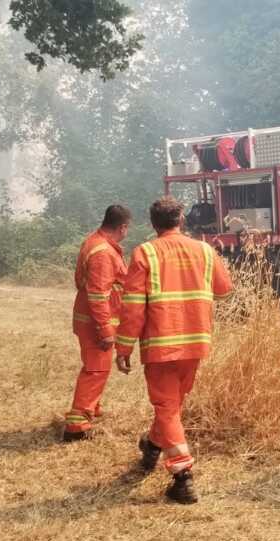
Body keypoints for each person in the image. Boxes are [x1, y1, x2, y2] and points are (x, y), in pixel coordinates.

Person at [116, 197, 232, 504]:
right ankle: (153, 445)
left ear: (153, 224)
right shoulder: (205, 251)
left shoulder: (145, 252)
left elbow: (132, 309)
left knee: (167, 408)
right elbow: (223, 290)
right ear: (181, 220)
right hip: (196, 342)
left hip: (161, 345)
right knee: (171, 407)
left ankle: (183, 478)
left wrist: (124, 346)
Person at [63, 205, 132, 442]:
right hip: (96, 323)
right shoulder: (103, 252)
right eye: (127, 229)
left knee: (97, 367)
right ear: (122, 227)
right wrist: (106, 330)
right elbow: (98, 294)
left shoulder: (94, 241)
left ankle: (92, 408)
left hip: (90, 319)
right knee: (96, 369)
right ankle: (77, 425)